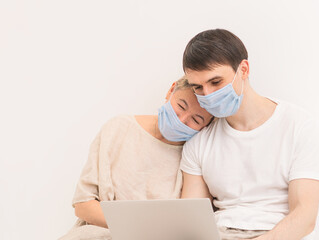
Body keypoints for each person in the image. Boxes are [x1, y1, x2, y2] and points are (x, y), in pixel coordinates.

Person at [180, 29, 319, 240]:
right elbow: (192, 222)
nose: (208, 95)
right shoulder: (199, 142)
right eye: (198, 87)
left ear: (244, 69)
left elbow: (304, 217)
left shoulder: (299, 126)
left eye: (216, 82)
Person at [59, 76, 213, 240]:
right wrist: (136, 229)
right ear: (171, 90)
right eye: (181, 106)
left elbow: (191, 223)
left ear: (206, 126)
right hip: (100, 233)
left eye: (196, 120)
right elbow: (83, 206)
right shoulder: (118, 128)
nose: (181, 120)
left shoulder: (195, 159)